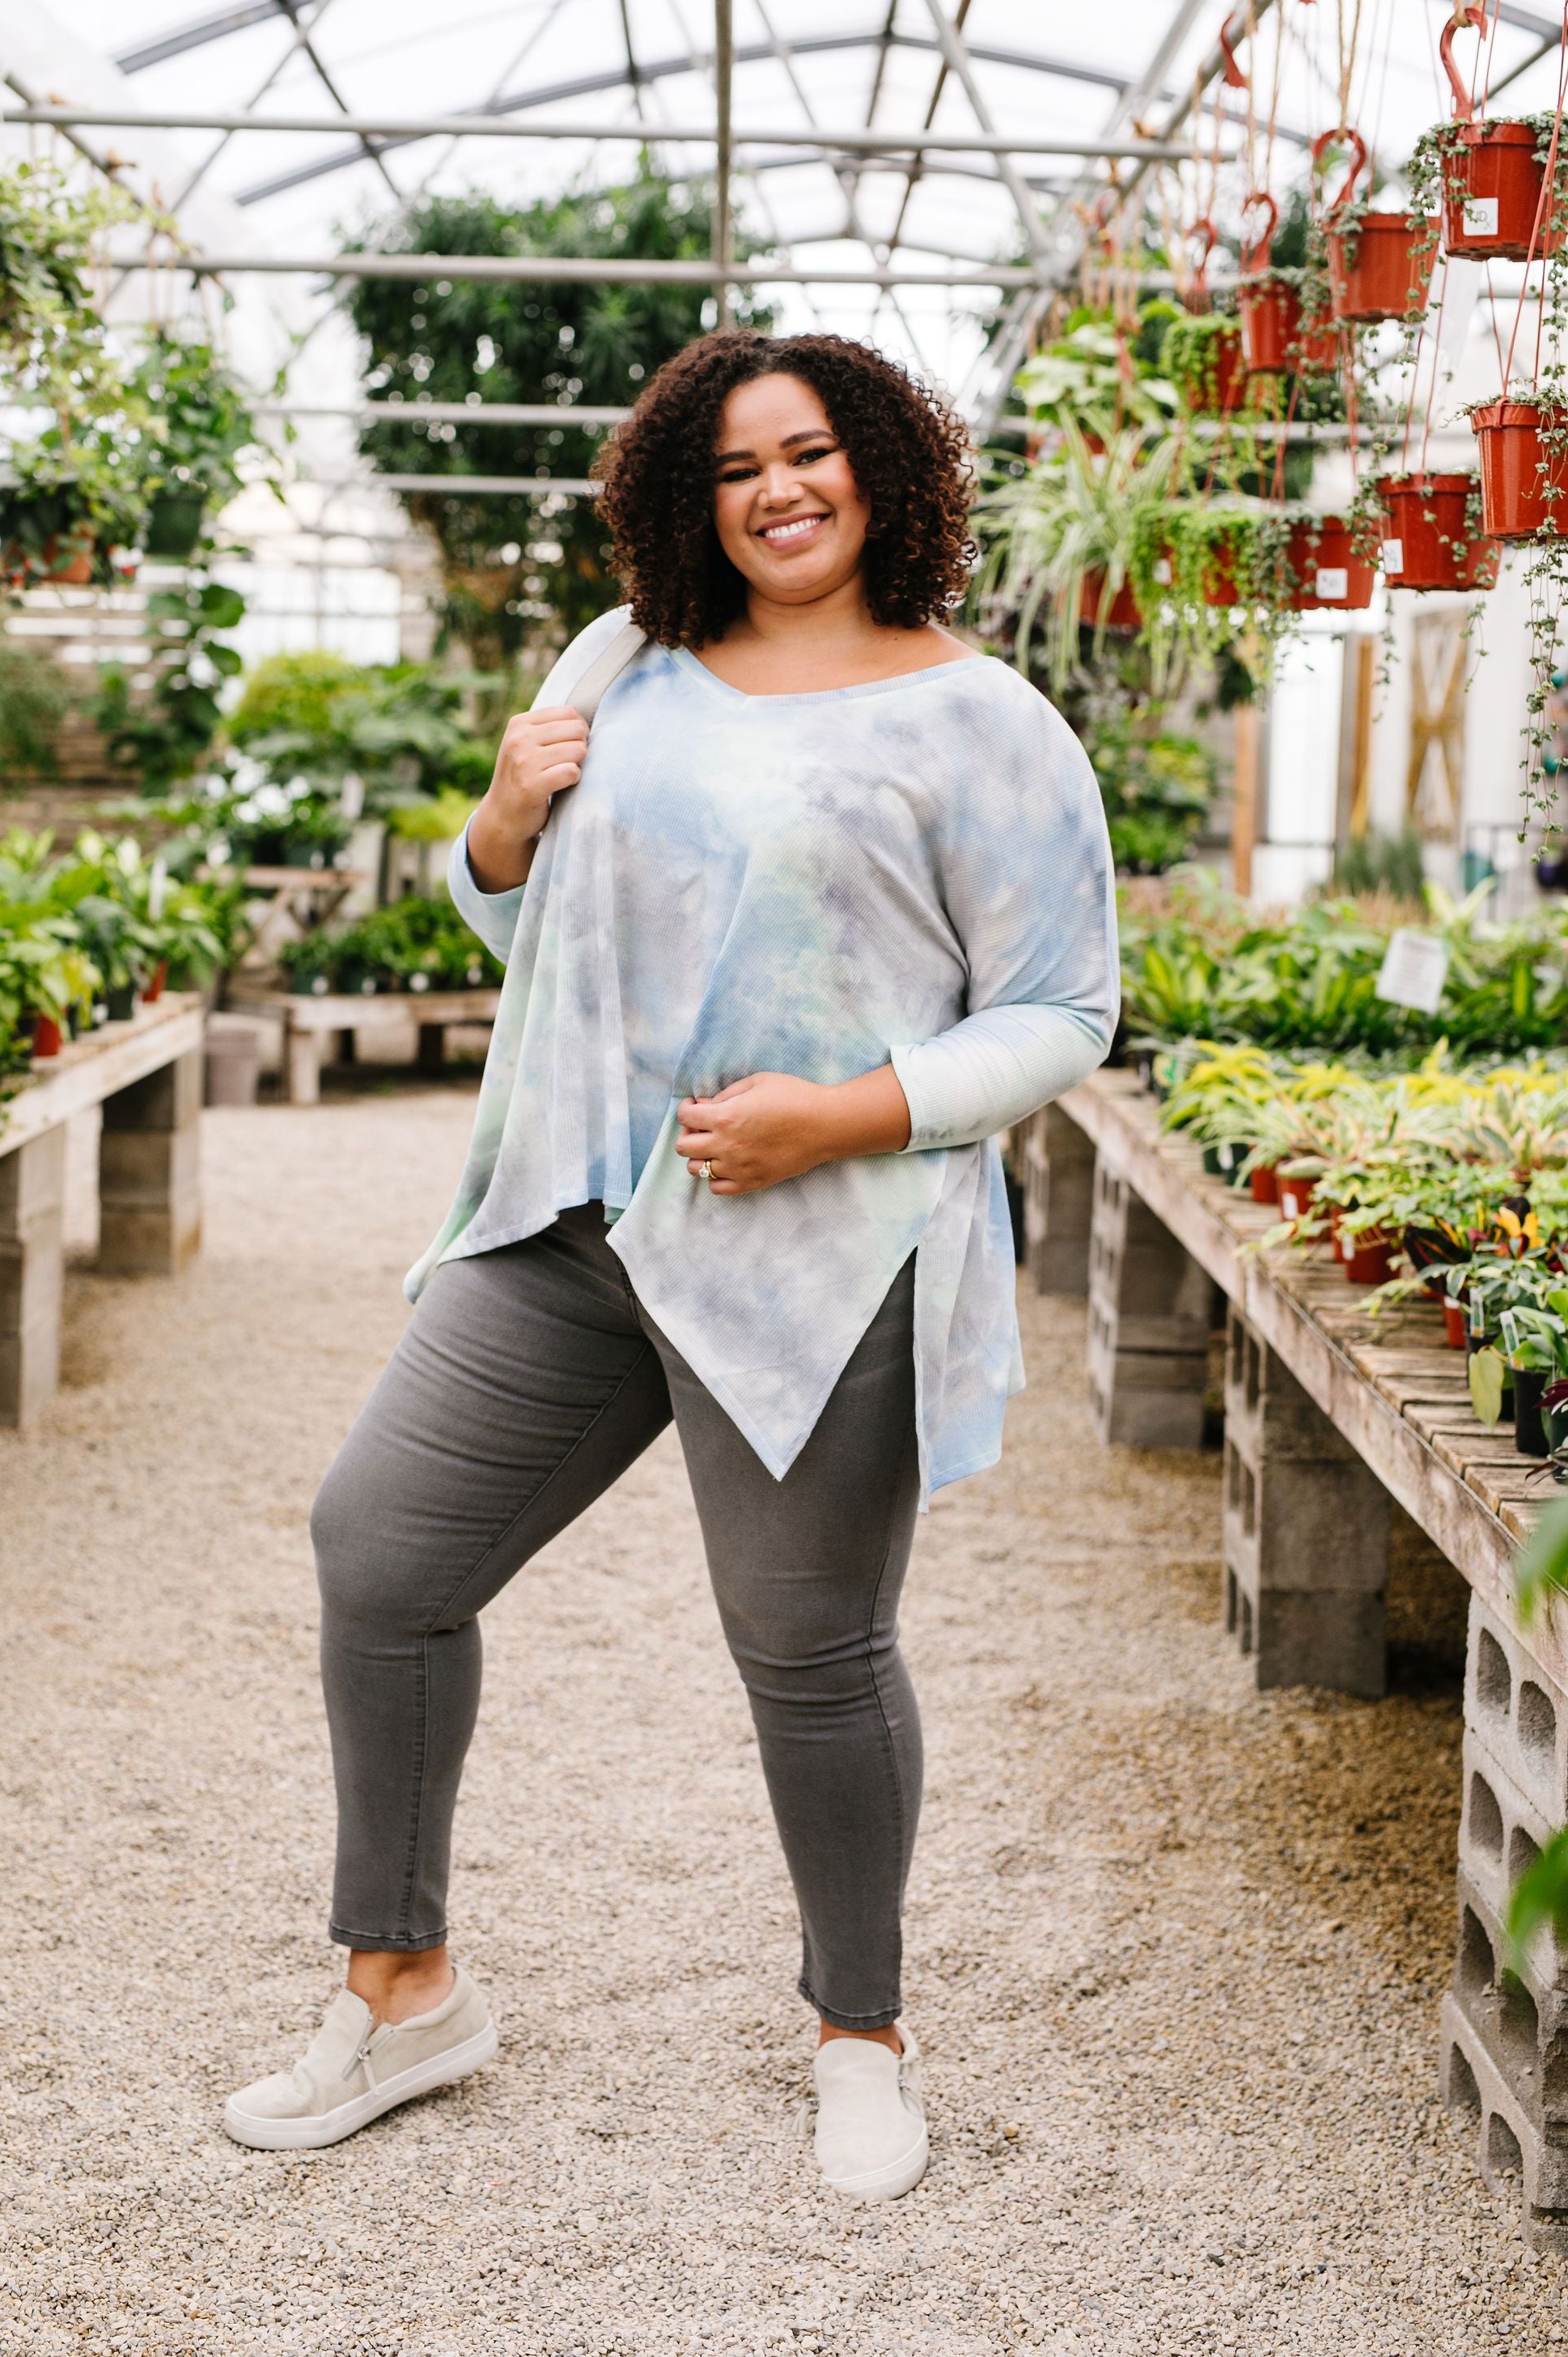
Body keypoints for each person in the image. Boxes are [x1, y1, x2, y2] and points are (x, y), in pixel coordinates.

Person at [224, 331, 1117, 2200]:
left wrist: (844, 1114)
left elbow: (1060, 1015)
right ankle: (403, 1991)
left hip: (818, 1248)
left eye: (811, 452)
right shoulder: (620, 660)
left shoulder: (985, 723)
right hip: (573, 1219)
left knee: (810, 1650)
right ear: (683, 501)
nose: (777, 492)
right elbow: (533, 919)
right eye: (733, 469)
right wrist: (493, 828)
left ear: (883, 469)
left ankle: (860, 2036)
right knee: (381, 1555)